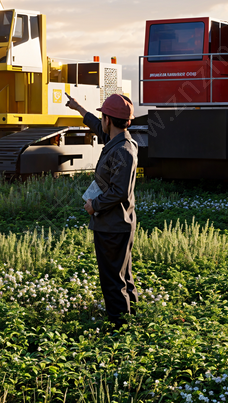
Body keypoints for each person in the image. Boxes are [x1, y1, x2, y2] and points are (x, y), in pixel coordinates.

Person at [76, 93, 136, 327]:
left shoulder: (121, 150)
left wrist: (94, 205)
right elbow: (100, 129)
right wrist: (80, 109)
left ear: (108, 120)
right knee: (124, 278)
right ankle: (132, 321)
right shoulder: (120, 142)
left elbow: (119, 191)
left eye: (102, 117)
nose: (101, 121)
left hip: (112, 226)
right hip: (118, 224)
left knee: (112, 281)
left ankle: (119, 331)